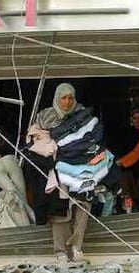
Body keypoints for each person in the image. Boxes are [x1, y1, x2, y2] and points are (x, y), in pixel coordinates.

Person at [25, 83, 92, 263]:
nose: (67, 101)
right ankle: (60, 250)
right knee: (59, 209)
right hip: (55, 171)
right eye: (64, 97)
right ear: (57, 98)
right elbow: (33, 141)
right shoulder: (45, 116)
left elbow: (91, 137)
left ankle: (76, 247)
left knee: (82, 206)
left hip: (79, 168)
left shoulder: (82, 114)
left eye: (70, 97)